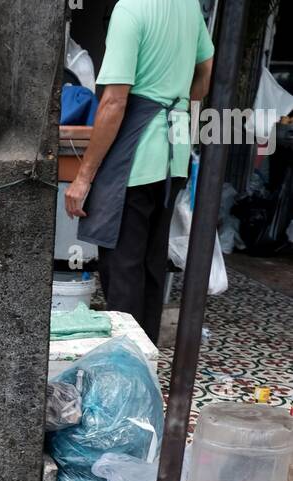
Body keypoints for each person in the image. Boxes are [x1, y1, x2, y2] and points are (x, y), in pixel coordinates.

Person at [65, 0, 215, 344]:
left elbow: (114, 102)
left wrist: (84, 176)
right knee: (151, 267)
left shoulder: (130, 10)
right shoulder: (189, 7)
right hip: (174, 153)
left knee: (124, 270)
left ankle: (126, 369)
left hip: (137, 155)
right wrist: (178, 108)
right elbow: (205, 71)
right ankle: (146, 365)